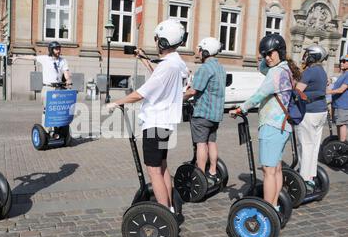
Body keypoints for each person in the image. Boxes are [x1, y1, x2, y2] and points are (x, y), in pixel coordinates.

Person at [107, 18, 188, 213]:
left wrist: (116, 102)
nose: (156, 42)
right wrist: (144, 58)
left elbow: (141, 93)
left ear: (164, 42)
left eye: (158, 39)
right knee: (162, 166)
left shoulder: (168, 66)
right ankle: (170, 206)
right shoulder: (177, 63)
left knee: (153, 171)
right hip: (166, 123)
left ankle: (164, 213)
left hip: (155, 124)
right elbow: (160, 76)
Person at [229, 34, 296, 213]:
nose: (267, 57)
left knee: (268, 171)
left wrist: (240, 109)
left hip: (272, 126)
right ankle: (274, 206)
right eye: (264, 54)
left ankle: (267, 211)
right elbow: (262, 67)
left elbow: (259, 95)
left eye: (270, 53)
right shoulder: (285, 69)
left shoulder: (276, 73)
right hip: (283, 126)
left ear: (280, 51)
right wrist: (265, 55)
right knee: (276, 168)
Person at [183, 37, 226, 184]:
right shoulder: (220, 68)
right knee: (211, 142)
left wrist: (180, 98)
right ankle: (213, 171)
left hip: (203, 113)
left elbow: (193, 91)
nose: (199, 53)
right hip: (216, 114)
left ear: (205, 51)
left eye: (200, 50)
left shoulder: (205, 68)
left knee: (201, 144)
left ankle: (200, 176)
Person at [13, 41, 72, 125]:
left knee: (58, 110)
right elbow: (31, 57)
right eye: (56, 49)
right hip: (48, 88)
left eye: (59, 49)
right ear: (51, 50)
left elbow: (66, 73)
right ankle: (46, 130)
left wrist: (68, 80)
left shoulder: (63, 61)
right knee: (47, 110)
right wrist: (18, 57)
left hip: (59, 89)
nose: (58, 51)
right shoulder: (44, 58)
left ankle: (58, 130)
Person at [295, 45, 329, 191]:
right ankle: (311, 175)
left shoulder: (309, 72)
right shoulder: (322, 71)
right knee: (314, 146)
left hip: (309, 112)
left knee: (305, 145)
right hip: (321, 111)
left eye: (307, 54)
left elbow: (298, 91)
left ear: (313, 56)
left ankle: (304, 178)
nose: (305, 56)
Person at [327, 54, 348, 142]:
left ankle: (342, 145)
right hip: (338, 104)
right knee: (339, 124)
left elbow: (341, 90)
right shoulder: (343, 74)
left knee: (342, 123)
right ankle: (340, 143)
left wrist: (326, 92)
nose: (341, 63)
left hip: (343, 105)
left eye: (344, 61)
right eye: (340, 61)